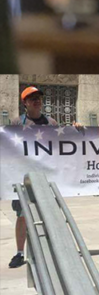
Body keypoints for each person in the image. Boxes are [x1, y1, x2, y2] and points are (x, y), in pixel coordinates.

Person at [8, 86, 58, 269]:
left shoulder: (51, 123)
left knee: (47, 214)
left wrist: (77, 130)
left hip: (45, 177)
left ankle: (48, 251)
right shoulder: (17, 123)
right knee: (22, 215)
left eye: (38, 97)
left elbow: (63, 145)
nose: (36, 100)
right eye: (31, 98)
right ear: (25, 103)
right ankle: (20, 253)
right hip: (23, 177)